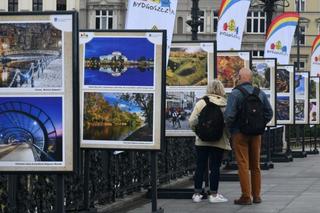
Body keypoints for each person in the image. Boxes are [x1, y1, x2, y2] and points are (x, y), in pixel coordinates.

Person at [224, 68, 273, 205]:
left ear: (239, 77)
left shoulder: (235, 93)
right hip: (256, 134)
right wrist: (260, 124)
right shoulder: (260, 93)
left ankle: (246, 197)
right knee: (255, 165)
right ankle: (257, 196)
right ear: (251, 78)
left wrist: (231, 129)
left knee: (243, 164)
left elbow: (229, 115)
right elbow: (269, 113)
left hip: (240, 133)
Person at [189, 80, 231, 203]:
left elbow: (192, 120)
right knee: (215, 167)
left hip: (202, 141)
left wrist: (198, 132)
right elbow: (228, 124)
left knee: (200, 166)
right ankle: (213, 194)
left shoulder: (201, 103)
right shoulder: (224, 104)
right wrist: (227, 136)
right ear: (221, 90)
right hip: (219, 140)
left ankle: (197, 194)